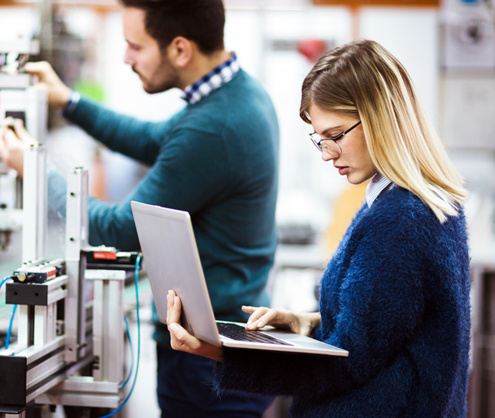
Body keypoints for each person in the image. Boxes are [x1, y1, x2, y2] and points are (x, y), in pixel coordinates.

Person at [0, 0, 280, 416]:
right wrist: (69, 102)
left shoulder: (213, 127)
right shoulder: (238, 95)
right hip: (221, 347)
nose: (126, 58)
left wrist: (32, 169)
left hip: (208, 361)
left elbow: (116, 230)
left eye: (135, 46)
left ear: (180, 49)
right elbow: (151, 138)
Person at [166, 39, 471, 417]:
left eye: (336, 135)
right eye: (319, 140)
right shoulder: (421, 201)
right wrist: (307, 324)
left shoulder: (400, 221)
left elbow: (346, 364)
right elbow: (387, 330)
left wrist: (215, 350)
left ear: (380, 117)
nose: (327, 153)